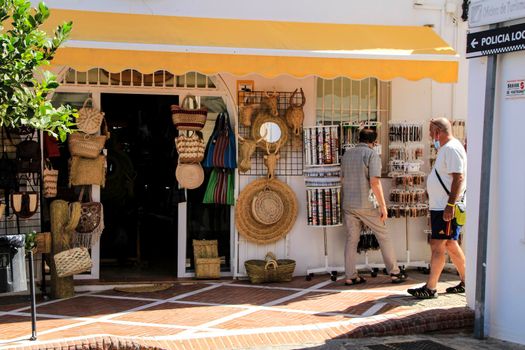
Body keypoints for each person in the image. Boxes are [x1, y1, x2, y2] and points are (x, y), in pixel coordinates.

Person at [408, 118, 467, 299]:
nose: (429, 135)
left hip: (444, 208)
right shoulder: (446, 149)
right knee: (449, 243)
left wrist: (449, 205)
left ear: (438, 131)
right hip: (441, 206)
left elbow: (458, 178)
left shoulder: (451, 148)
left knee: (437, 245)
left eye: (430, 131)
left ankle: (431, 287)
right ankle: (467, 281)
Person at [341, 128, 407, 285]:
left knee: (352, 240)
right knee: (383, 236)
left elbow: (342, 179)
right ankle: (395, 272)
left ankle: (350, 276)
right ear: (374, 142)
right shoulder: (371, 155)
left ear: (359, 138)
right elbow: (375, 182)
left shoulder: (347, 155)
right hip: (367, 204)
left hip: (348, 203)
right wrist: (383, 206)